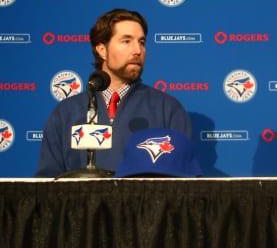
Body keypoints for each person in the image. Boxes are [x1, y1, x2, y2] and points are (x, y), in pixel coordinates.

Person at [35, 9, 192, 177]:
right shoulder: (66, 112)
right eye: (126, 41)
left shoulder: (167, 109)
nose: (137, 50)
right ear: (102, 50)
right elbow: (47, 182)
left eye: (142, 42)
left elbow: (184, 182)